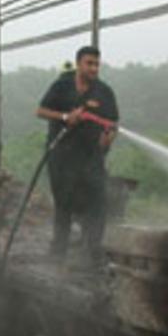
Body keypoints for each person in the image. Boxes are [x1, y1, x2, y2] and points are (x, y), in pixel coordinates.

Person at [36, 46, 119, 267]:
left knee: (97, 203)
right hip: (61, 157)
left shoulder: (104, 92)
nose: (94, 68)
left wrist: (108, 137)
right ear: (79, 64)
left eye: (96, 64)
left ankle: (93, 254)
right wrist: (65, 116)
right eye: (89, 63)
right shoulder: (62, 85)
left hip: (91, 157)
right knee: (63, 204)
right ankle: (58, 255)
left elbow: (112, 123)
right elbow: (41, 111)